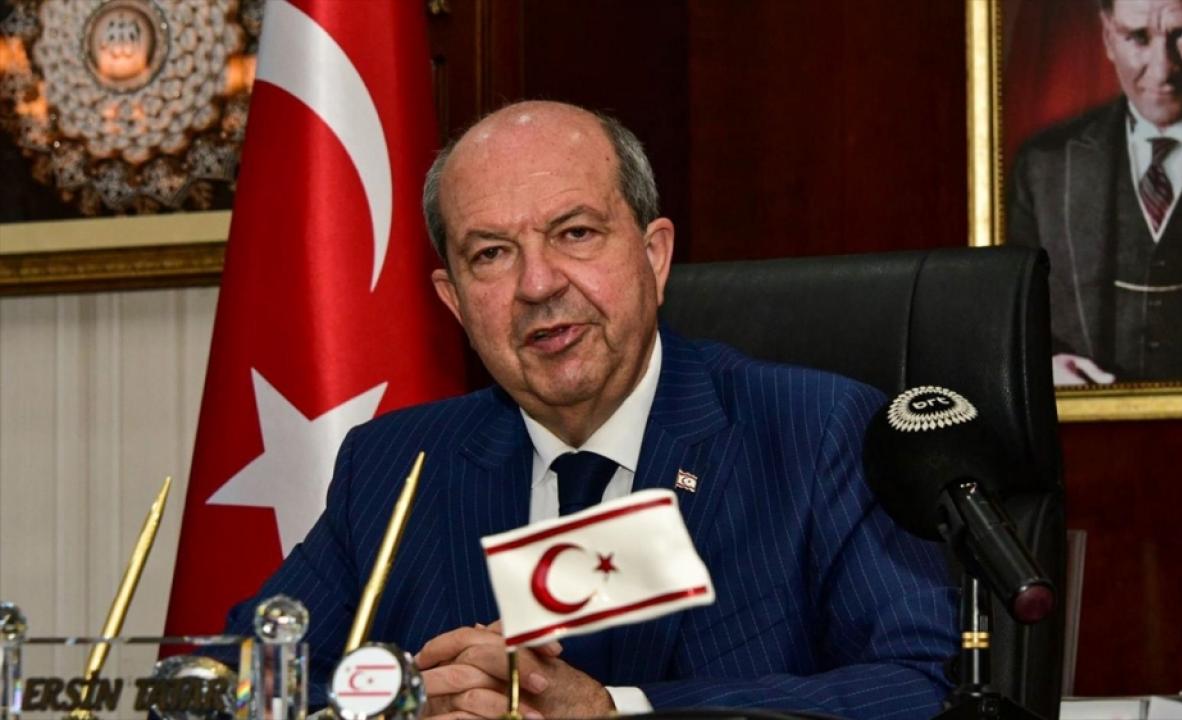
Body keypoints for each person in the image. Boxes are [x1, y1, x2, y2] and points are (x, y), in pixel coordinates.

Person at [225, 101, 957, 719]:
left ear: (654, 256)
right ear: (453, 301)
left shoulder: (814, 431)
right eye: (491, 254)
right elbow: (243, 680)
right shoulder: (394, 465)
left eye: (575, 233)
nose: (538, 284)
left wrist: (615, 710)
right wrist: (399, 703)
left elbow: (922, 688)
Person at [1008, 0, 1182, 385]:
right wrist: (1043, 366)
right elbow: (1009, 321)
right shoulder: (1044, 164)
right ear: (1107, 36)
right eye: (1137, 37)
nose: (1162, 69)